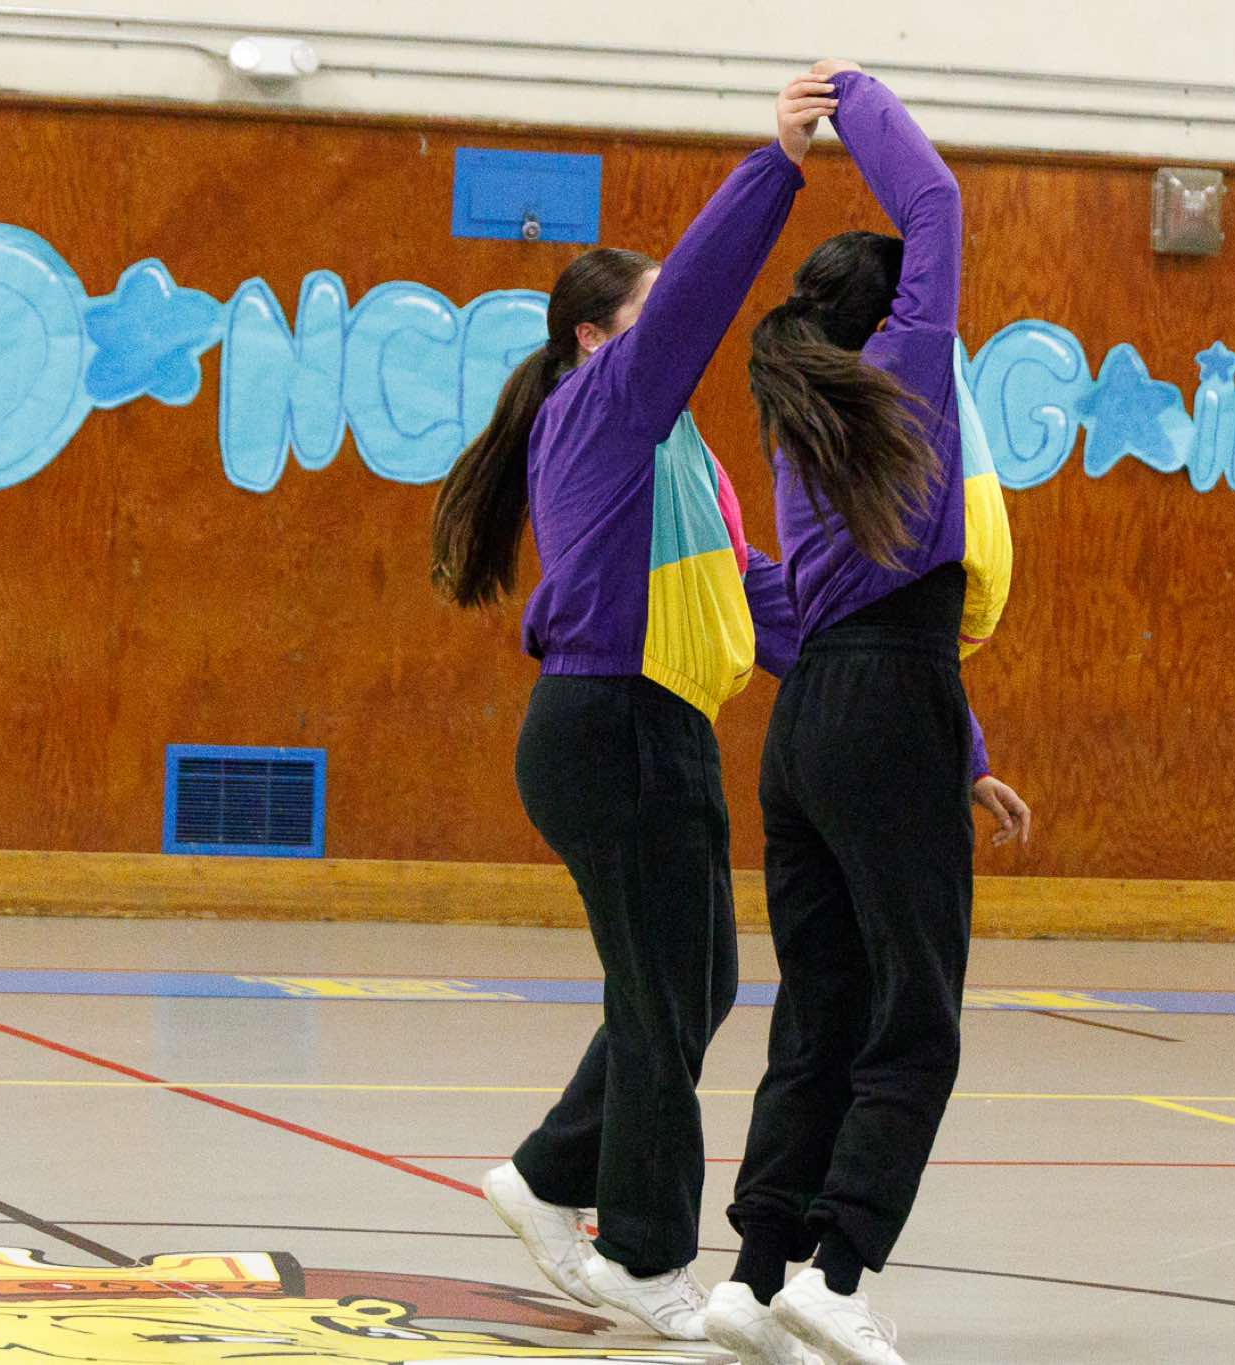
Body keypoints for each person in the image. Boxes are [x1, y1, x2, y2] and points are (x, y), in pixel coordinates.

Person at [427, 74, 836, 1343]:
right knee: (664, 1003)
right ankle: (643, 1256)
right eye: (652, 317)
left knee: (692, 987)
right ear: (598, 338)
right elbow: (705, 292)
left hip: (648, 731)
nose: (677, 335)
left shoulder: (674, 460)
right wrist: (775, 164)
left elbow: (761, 598)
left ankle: (548, 1174)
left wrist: (919, 707)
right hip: (612, 727)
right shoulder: (601, 407)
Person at [707, 62, 1028, 1365]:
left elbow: (835, 622)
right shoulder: (903, 378)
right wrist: (856, 92)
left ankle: (750, 1279)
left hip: (813, 729)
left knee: (820, 1008)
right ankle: (837, 1276)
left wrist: (964, 750)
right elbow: (934, 200)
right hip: (891, 706)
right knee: (917, 1013)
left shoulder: (801, 428)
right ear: (898, 314)